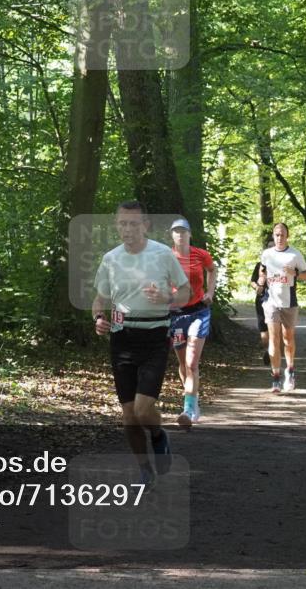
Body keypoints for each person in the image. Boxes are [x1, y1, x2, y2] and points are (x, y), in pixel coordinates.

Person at [93, 201, 191, 486]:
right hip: (122, 339)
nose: (127, 229)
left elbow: (186, 291)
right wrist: (99, 318)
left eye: (133, 224)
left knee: (142, 410)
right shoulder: (110, 258)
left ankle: (159, 434)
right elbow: (100, 298)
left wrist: (166, 299)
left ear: (145, 225)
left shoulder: (162, 254)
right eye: (122, 223)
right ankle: (145, 469)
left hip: (154, 338)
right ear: (117, 225)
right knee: (128, 416)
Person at [167, 218, 217, 429]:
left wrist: (210, 292)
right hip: (176, 315)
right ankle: (193, 400)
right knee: (182, 364)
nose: (180, 235)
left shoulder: (200, 254)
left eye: (183, 231)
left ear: (189, 234)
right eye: (176, 232)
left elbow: (212, 270)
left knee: (191, 362)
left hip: (199, 312)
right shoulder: (165, 256)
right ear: (172, 235)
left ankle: (188, 409)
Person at [260, 223, 306, 393]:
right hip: (271, 302)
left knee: (288, 339)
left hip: (289, 302)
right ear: (273, 236)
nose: (279, 238)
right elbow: (262, 271)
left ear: (287, 236)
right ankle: (275, 377)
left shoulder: (295, 254)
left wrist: (295, 273)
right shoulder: (267, 254)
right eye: (277, 235)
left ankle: (290, 370)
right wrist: (262, 280)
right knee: (273, 338)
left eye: (282, 235)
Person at [250, 237, 276, 367]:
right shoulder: (259, 265)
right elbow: (252, 281)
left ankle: (274, 352)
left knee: (276, 329)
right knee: (264, 330)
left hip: (278, 300)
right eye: (269, 247)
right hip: (262, 299)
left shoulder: (284, 264)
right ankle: (268, 350)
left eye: (274, 246)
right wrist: (257, 287)